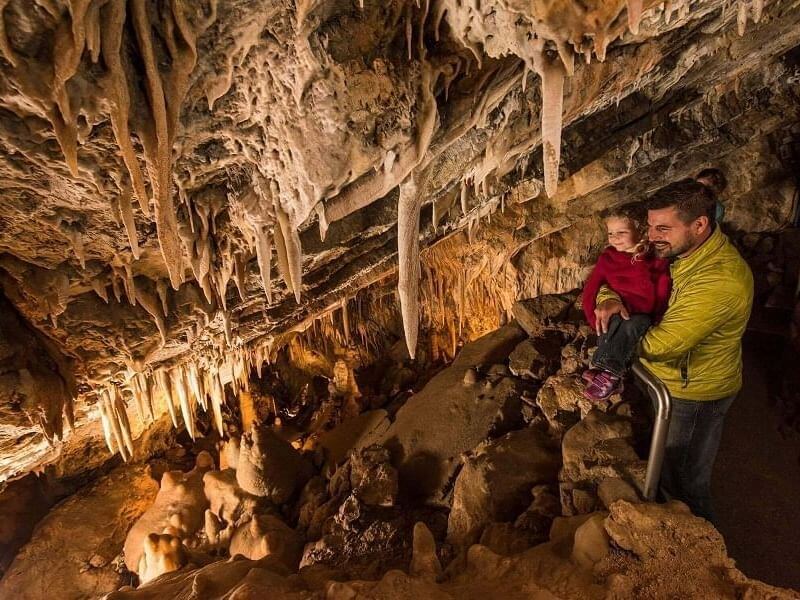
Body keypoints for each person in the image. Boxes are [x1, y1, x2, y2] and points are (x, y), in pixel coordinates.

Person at [594, 178, 754, 523]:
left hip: (694, 391)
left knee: (684, 480)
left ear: (699, 224)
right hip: (673, 381)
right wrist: (609, 298)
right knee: (666, 462)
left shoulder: (719, 280)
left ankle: (702, 557)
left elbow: (662, 344)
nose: (652, 237)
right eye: (651, 227)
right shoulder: (683, 251)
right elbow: (620, 277)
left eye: (663, 228)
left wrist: (619, 339)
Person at [581, 208, 671, 400]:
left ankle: (608, 373)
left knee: (630, 326)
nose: (614, 238)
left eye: (621, 232)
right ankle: (606, 373)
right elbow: (592, 287)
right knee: (608, 325)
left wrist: (659, 317)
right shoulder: (608, 258)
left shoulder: (653, 258)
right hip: (617, 310)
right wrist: (592, 316)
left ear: (640, 231)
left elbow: (663, 287)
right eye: (610, 233)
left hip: (640, 314)